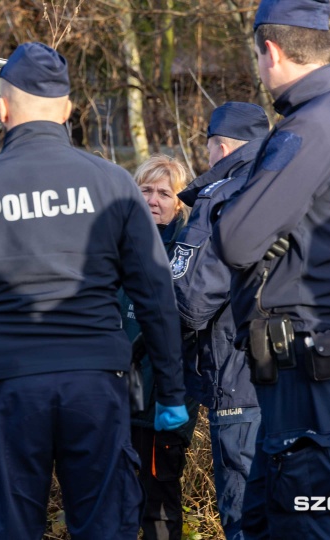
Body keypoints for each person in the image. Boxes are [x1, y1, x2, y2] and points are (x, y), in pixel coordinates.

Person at [0, 42, 188, 540]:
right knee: (105, 525)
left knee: (10, 526)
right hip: (96, 385)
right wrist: (170, 391)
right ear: (67, 110)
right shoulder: (113, 184)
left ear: (3, 110)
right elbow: (155, 297)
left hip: (10, 390)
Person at [212, 1, 330, 538]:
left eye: (258, 56)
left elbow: (234, 241)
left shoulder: (308, 128)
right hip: (314, 341)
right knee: (265, 514)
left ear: (272, 51)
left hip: (308, 347)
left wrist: (226, 205)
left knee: (306, 517)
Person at [172, 102, 269, 540]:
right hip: (300, 373)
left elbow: (191, 300)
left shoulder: (223, 193)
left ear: (221, 146)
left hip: (238, 374)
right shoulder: (289, 185)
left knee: (244, 508)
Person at [119, 155, 200, 540]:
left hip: (162, 405)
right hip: (116, 399)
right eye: (145, 190)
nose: (153, 199)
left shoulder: (187, 252)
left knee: (159, 504)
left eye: (164, 193)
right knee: (116, 501)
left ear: (179, 201)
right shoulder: (117, 243)